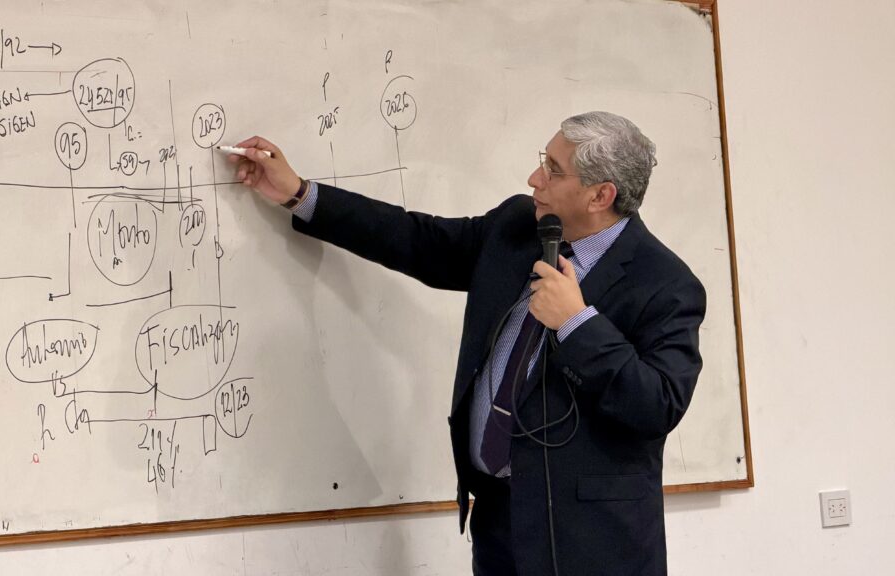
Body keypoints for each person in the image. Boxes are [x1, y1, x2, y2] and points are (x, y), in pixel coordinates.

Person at [230, 111, 706, 576]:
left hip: (593, 542)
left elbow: (658, 404)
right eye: (543, 160)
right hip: (498, 522)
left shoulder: (666, 285)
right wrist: (299, 194)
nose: (534, 178)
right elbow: (417, 240)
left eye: (554, 170)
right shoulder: (517, 227)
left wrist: (577, 323)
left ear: (601, 195)